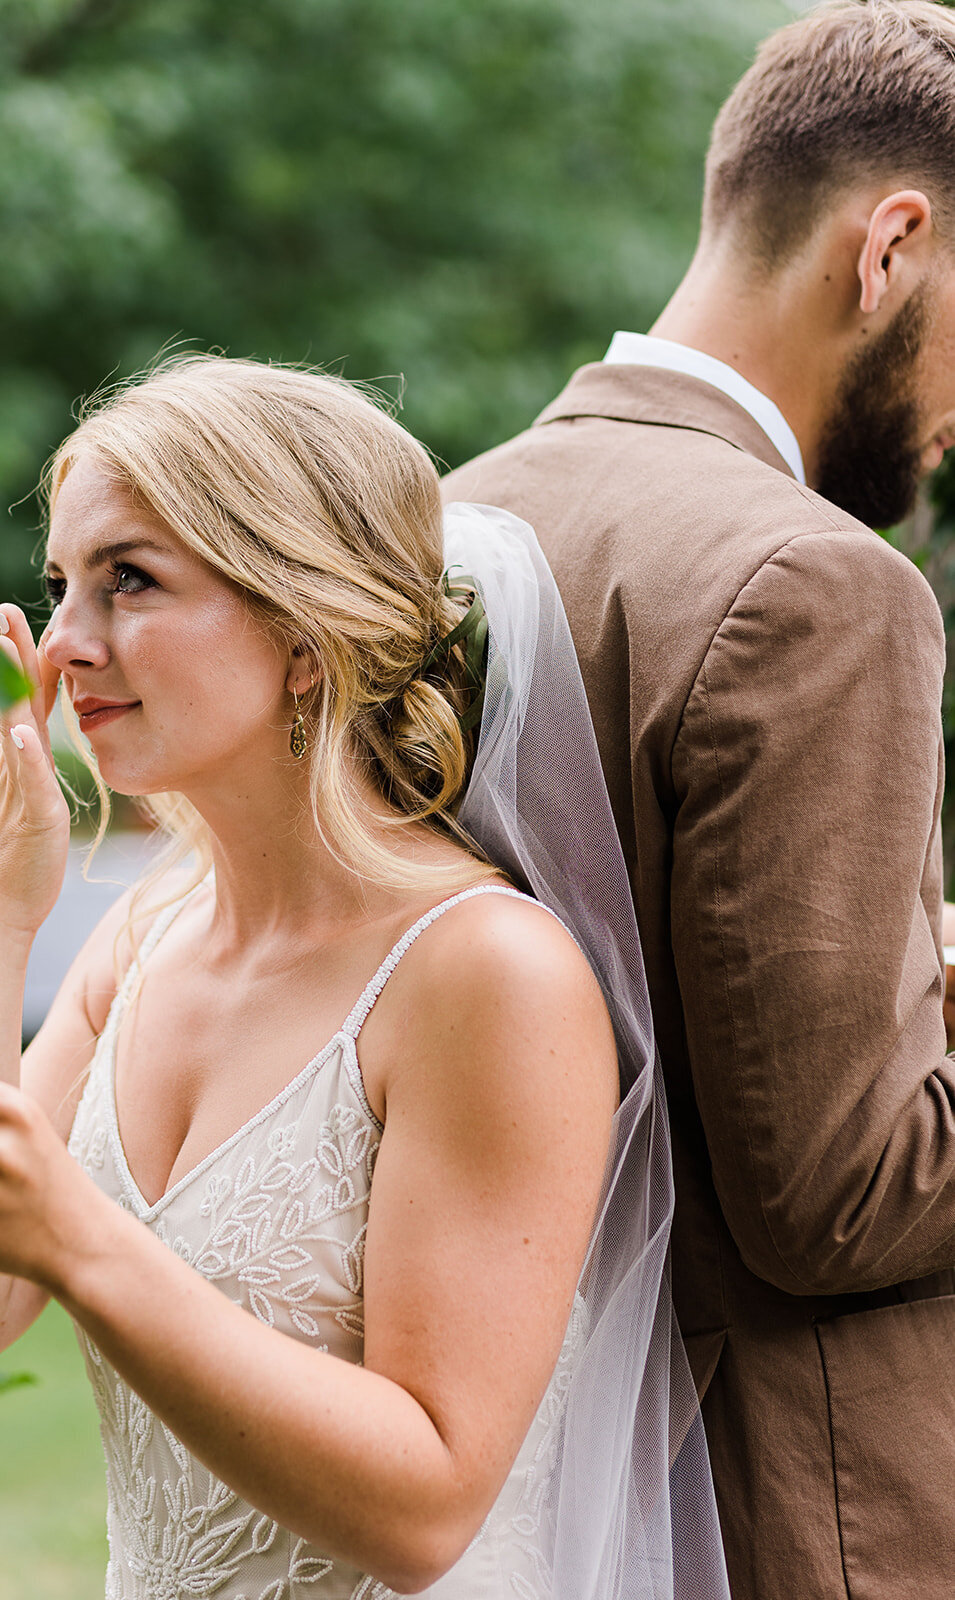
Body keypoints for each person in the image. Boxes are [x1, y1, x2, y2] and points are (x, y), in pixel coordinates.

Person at [0, 359, 725, 1599]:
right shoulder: (140, 939)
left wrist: (80, 1240)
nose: (66, 644)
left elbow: (426, 1505)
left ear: (302, 635)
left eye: (129, 581)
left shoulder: (481, 973)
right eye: (60, 585)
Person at [442, 3, 955, 1596]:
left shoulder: (442, 521)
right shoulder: (816, 584)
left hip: (518, 1475)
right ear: (889, 249)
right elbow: (833, 1200)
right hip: (790, 1511)